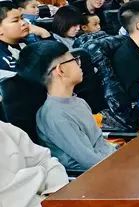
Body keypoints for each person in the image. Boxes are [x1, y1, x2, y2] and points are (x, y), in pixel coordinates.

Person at [21, 41, 117, 170]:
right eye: (74, 60)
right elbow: (90, 161)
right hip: (95, 174)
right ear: (60, 70)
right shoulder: (55, 115)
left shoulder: (79, 102)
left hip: (111, 161)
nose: (79, 64)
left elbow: (99, 143)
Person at [0, 0, 52, 79]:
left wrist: (45, 33)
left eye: (22, 18)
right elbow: (26, 72)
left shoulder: (24, 42)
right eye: (15, 21)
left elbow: (54, 57)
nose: (24, 23)